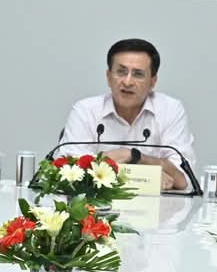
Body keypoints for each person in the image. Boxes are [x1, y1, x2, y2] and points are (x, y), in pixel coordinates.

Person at [58, 39, 194, 191]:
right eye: (121, 72)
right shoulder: (85, 110)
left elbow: (184, 178)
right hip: (95, 204)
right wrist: (146, 174)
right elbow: (69, 171)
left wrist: (135, 156)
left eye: (138, 74)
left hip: (157, 204)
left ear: (152, 82)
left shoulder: (170, 109)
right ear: (109, 77)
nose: (128, 82)